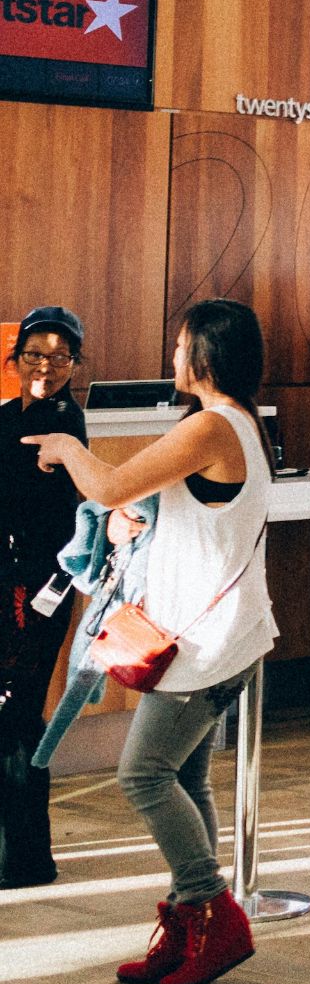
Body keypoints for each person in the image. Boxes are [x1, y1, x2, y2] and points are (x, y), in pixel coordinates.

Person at [24, 299, 277, 984]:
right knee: (185, 778)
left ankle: (213, 915)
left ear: (205, 354)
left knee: (143, 775)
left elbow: (106, 485)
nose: (171, 356)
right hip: (223, 633)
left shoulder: (212, 424)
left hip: (206, 641)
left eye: (179, 344)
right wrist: (140, 520)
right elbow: (177, 507)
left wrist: (67, 448)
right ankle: (187, 927)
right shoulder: (238, 425)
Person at [0, 307, 87, 890]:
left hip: (36, 589)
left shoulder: (62, 424)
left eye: (59, 357)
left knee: (16, 711)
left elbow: (45, 516)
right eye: (35, 354)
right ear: (16, 357)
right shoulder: (11, 415)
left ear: (74, 365)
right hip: (11, 581)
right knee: (13, 712)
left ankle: (25, 857)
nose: (46, 366)